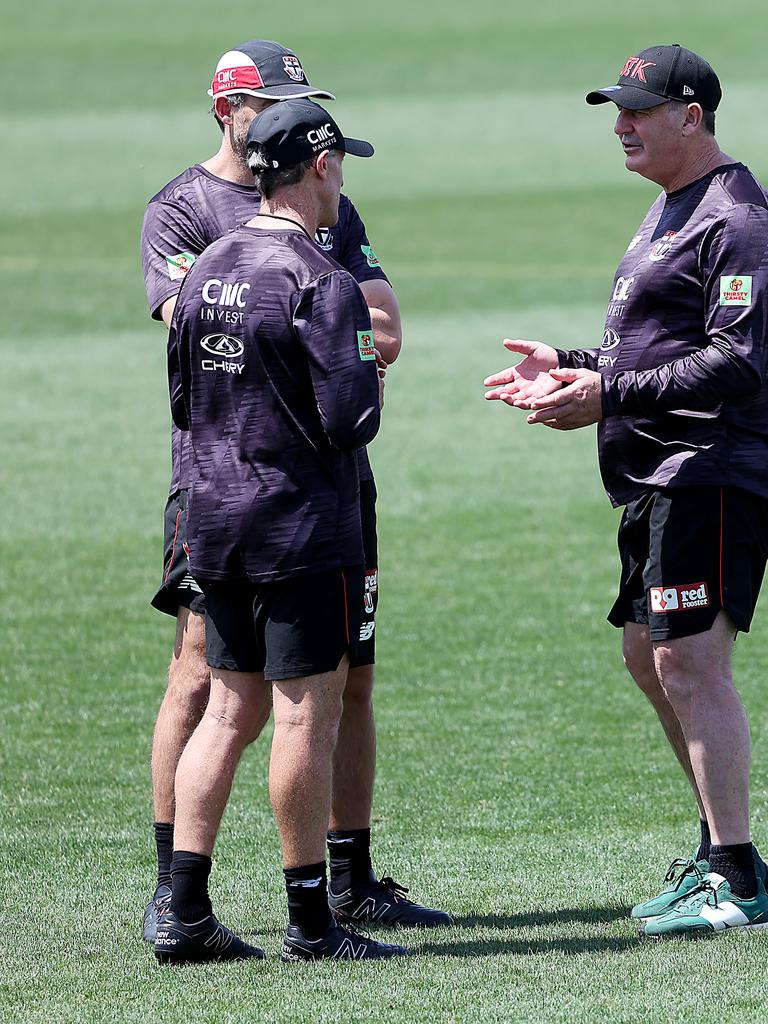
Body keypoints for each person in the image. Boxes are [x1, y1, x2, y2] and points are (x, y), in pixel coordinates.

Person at [140, 39, 448, 940]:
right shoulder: (317, 274)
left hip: (215, 505)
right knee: (301, 706)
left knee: (231, 705)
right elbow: (353, 414)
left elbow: (187, 385)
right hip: (301, 519)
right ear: (319, 164)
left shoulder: (211, 269)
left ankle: (186, 908)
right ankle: (313, 922)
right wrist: (358, 370)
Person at [485, 44, 768, 937]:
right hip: (653, 471)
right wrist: (571, 366)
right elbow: (658, 350)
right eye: (617, 108)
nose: (621, 124)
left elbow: (738, 360)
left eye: (639, 110)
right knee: (648, 656)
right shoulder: (670, 209)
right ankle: (727, 854)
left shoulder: (739, 217)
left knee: (690, 661)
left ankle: (736, 876)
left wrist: (605, 392)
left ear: (692, 115)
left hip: (709, 469)